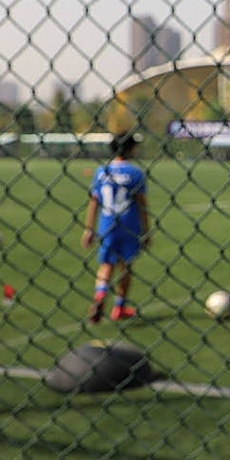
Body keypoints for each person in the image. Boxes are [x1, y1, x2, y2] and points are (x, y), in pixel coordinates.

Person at [82, 131, 150, 324]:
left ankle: (101, 293)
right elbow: (142, 205)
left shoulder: (101, 171)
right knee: (125, 266)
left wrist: (89, 228)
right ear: (130, 149)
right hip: (129, 225)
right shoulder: (135, 173)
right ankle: (119, 307)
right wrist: (146, 231)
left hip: (106, 225)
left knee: (106, 265)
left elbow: (94, 201)